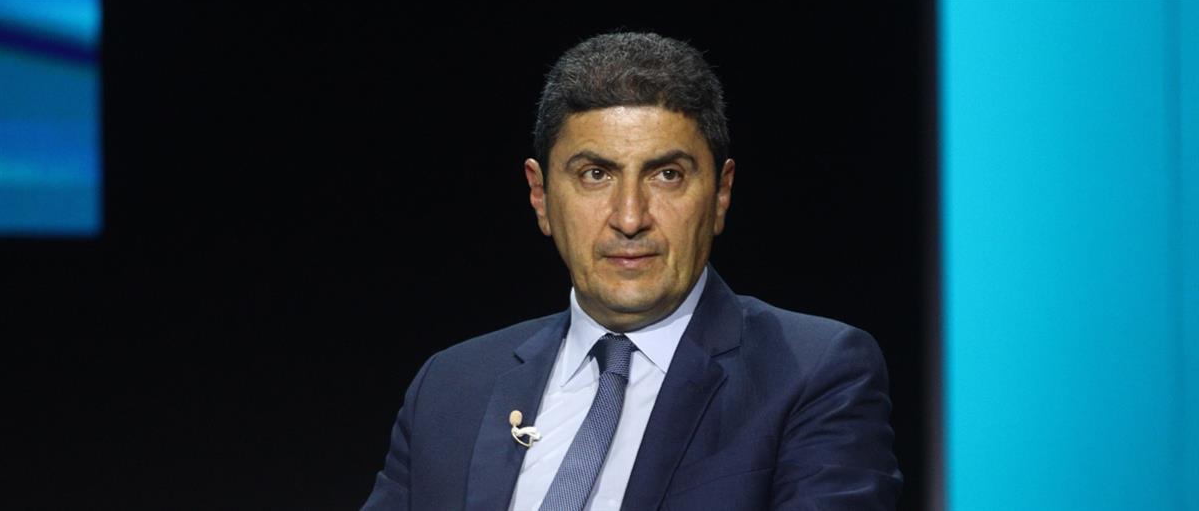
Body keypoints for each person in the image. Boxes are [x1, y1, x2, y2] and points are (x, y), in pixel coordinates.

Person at [362, 31, 902, 511]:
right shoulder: (451, 386)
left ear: (720, 194)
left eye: (667, 175)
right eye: (595, 174)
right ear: (540, 196)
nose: (629, 218)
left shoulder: (812, 373)